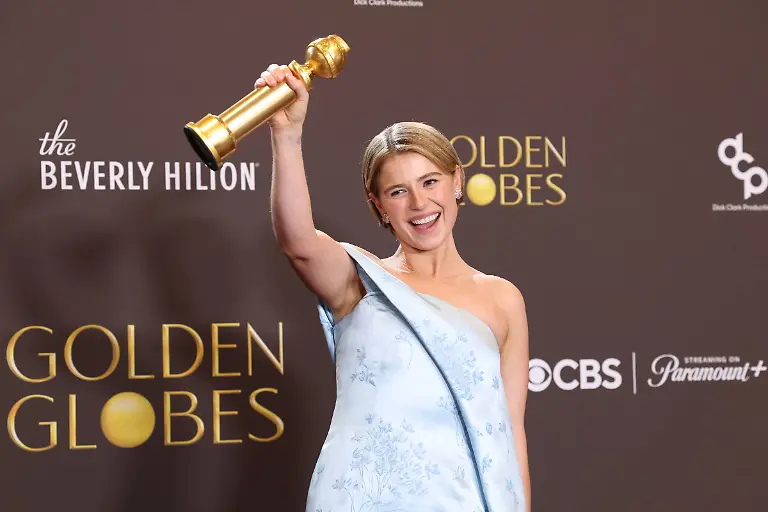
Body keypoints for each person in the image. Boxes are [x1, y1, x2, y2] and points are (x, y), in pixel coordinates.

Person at [257, 63, 531, 512]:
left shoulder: (503, 299)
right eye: (398, 192)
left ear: (456, 181)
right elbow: (299, 243)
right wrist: (286, 136)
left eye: (430, 182)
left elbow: (509, 434)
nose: (420, 204)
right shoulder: (359, 280)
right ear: (378, 206)